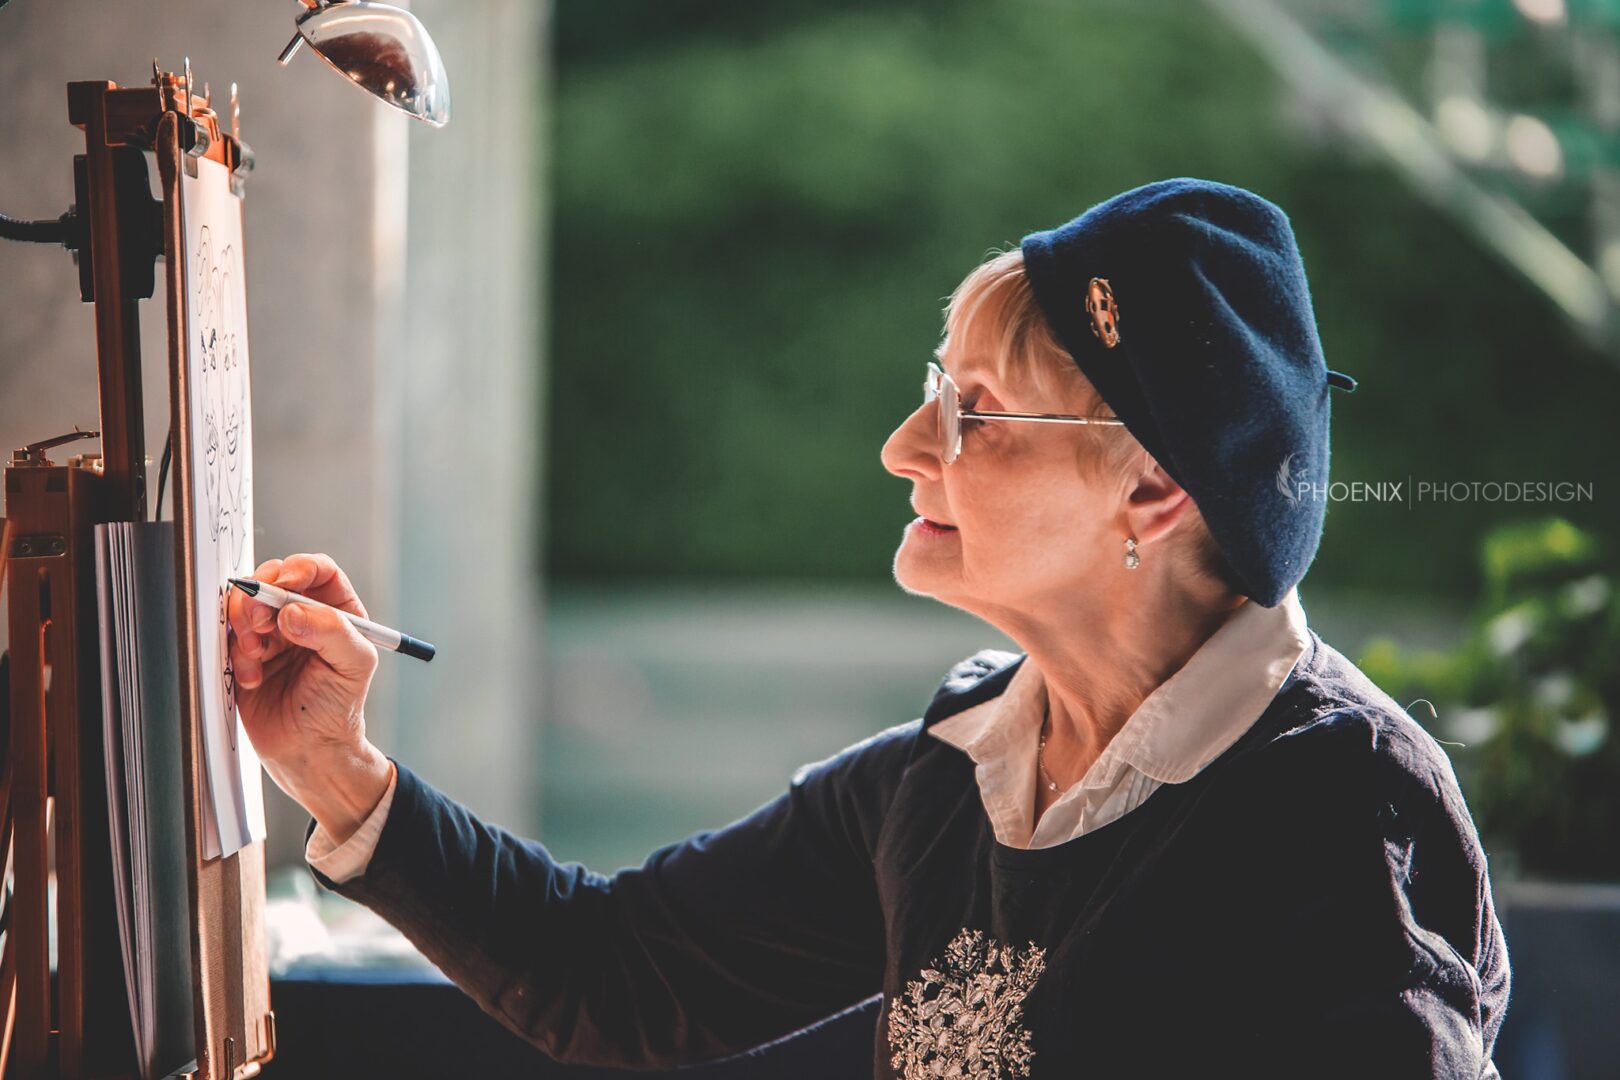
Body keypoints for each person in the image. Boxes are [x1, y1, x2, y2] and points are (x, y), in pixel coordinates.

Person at [228, 177, 1511, 1078]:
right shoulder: (959, 770)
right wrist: (330, 764)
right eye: (929, 394)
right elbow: (613, 971)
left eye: (978, 413)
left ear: (1156, 487)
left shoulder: (1331, 804)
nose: (906, 449)